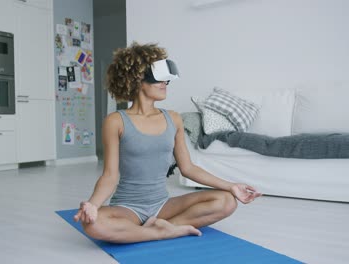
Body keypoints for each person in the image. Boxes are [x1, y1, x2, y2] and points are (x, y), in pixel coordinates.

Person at [74, 42, 262, 243]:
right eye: (158, 78)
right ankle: (165, 231)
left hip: (163, 205)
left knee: (226, 201)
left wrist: (231, 186)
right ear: (137, 79)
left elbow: (188, 168)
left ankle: (156, 228)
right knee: (93, 223)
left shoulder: (173, 119)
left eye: (166, 79)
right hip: (128, 208)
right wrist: (93, 205)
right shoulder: (116, 121)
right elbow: (110, 176)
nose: (165, 83)